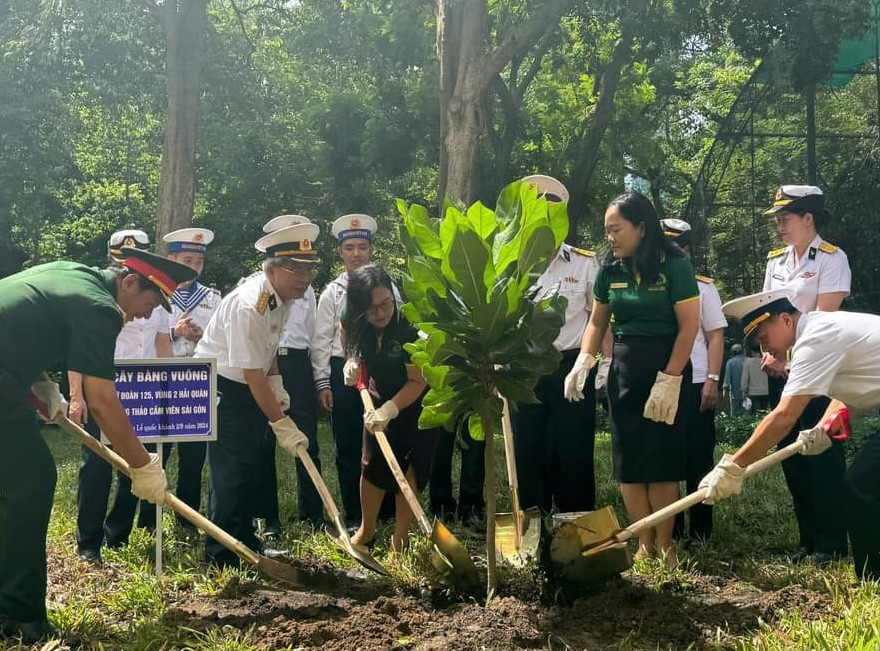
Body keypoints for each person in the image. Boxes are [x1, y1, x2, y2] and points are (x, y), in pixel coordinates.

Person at [0, 246, 194, 642]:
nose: (146, 314)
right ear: (128, 282)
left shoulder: (72, 272)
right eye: (150, 301)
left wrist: (39, 379)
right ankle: (19, 617)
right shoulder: (100, 307)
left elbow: (19, 321)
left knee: (15, 484)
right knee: (33, 481)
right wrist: (142, 465)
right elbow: (103, 400)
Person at [701, 290, 880, 580]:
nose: (765, 348)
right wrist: (824, 425)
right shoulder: (819, 332)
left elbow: (784, 416)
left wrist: (734, 465)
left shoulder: (814, 340)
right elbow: (852, 385)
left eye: (763, 337)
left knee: (863, 486)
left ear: (785, 319)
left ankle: (874, 580)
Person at [564, 191, 699, 566]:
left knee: (662, 459)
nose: (611, 237)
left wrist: (671, 378)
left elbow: (689, 328)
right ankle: (644, 542)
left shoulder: (675, 266)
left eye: (616, 229)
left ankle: (667, 545)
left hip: (666, 362)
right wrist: (583, 361)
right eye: (607, 230)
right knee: (630, 459)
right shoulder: (609, 269)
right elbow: (597, 320)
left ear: (642, 227)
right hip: (624, 367)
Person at [195, 223, 315, 567]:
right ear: (273, 268)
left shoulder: (284, 296)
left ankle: (245, 542)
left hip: (253, 383)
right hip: (225, 387)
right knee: (230, 471)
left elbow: (269, 348)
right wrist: (281, 423)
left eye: (309, 269)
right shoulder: (251, 304)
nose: (305, 278)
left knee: (251, 465)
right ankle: (220, 556)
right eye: (297, 269)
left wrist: (276, 383)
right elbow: (249, 372)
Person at [760, 185, 850, 564]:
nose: (780, 226)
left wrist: (791, 360)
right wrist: (769, 353)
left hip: (818, 375)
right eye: (777, 220)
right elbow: (764, 314)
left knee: (823, 457)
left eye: (786, 218)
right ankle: (808, 541)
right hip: (782, 374)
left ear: (808, 218)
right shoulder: (776, 262)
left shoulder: (832, 258)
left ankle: (831, 544)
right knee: (792, 458)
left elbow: (824, 321)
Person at [72, 229, 164, 563]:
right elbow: (79, 355)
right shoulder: (98, 301)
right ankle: (89, 544)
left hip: (144, 390)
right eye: (121, 260)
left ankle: (118, 534)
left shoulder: (156, 296)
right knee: (96, 465)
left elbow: (162, 346)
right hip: (103, 389)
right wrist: (75, 395)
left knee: (136, 462)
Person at [512, 175, 602, 514]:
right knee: (528, 449)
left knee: (573, 449)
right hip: (524, 369)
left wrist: (596, 362)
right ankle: (531, 523)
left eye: (552, 217)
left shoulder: (584, 263)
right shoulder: (511, 264)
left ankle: (575, 524)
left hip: (571, 366)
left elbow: (599, 318)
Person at [341, 265, 437, 551]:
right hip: (376, 396)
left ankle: (401, 537)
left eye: (385, 304)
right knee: (371, 464)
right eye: (372, 309)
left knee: (407, 469)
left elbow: (417, 381)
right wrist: (353, 359)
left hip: (414, 403)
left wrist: (390, 411)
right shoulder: (354, 316)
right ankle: (366, 531)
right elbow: (346, 333)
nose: (381, 313)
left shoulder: (410, 327)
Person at [149, 227, 221, 530]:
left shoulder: (213, 298)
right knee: (157, 453)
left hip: (196, 380)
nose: (193, 267)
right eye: (187, 259)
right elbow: (149, 337)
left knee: (192, 456)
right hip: (163, 378)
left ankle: (187, 520)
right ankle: (148, 518)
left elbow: (220, 339)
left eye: (198, 262)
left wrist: (201, 335)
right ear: (172, 258)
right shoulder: (156, 293)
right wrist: (176, 332)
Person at [312, 214, 380, 529]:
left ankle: (385, 509)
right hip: (344, 373)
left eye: (362, 247)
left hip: (379, 369)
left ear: (371, 250)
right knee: (349, 444)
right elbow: (320, 342)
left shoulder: (385, 286)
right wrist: (323, 383)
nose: (356, 253)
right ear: (340, 252)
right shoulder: (331, 293)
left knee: (381, 440)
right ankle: (354, 513)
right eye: (350, 247)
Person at [661, 218, 726, 543]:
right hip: (662, 381)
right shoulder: (651, 282)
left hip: (697, 379)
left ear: (686, 249)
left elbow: (715, 335)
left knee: (699, 457)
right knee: (666, 457)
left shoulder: (703, 287)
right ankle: (670, 530)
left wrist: (713, 378)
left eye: (675, 247)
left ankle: (701, 530)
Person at [264, 215, 323, 527]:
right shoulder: (260, 286)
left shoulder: (306, 287)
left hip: (298, 362)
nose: (301, 272)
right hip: (266, 365)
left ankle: (313, 512)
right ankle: (267, 518)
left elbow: (313, 333)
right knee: (264, 439)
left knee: (307, 437)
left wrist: (318, 378)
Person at [741, 348, 770, 412]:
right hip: (766, 391)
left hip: (753, 392)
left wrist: (744, 390)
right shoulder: (767, 362)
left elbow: (745, 378)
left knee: (756, 414)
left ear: (753, 352)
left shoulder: (748, 362)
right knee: (764, 413)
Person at [722, 344, 746, 416]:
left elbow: (727, 377)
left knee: (735, 414)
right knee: (748, 413)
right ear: (742, 351)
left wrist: (725, 388)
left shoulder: (730, 362)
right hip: (748, 392)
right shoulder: (748, 360)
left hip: (735, 393)